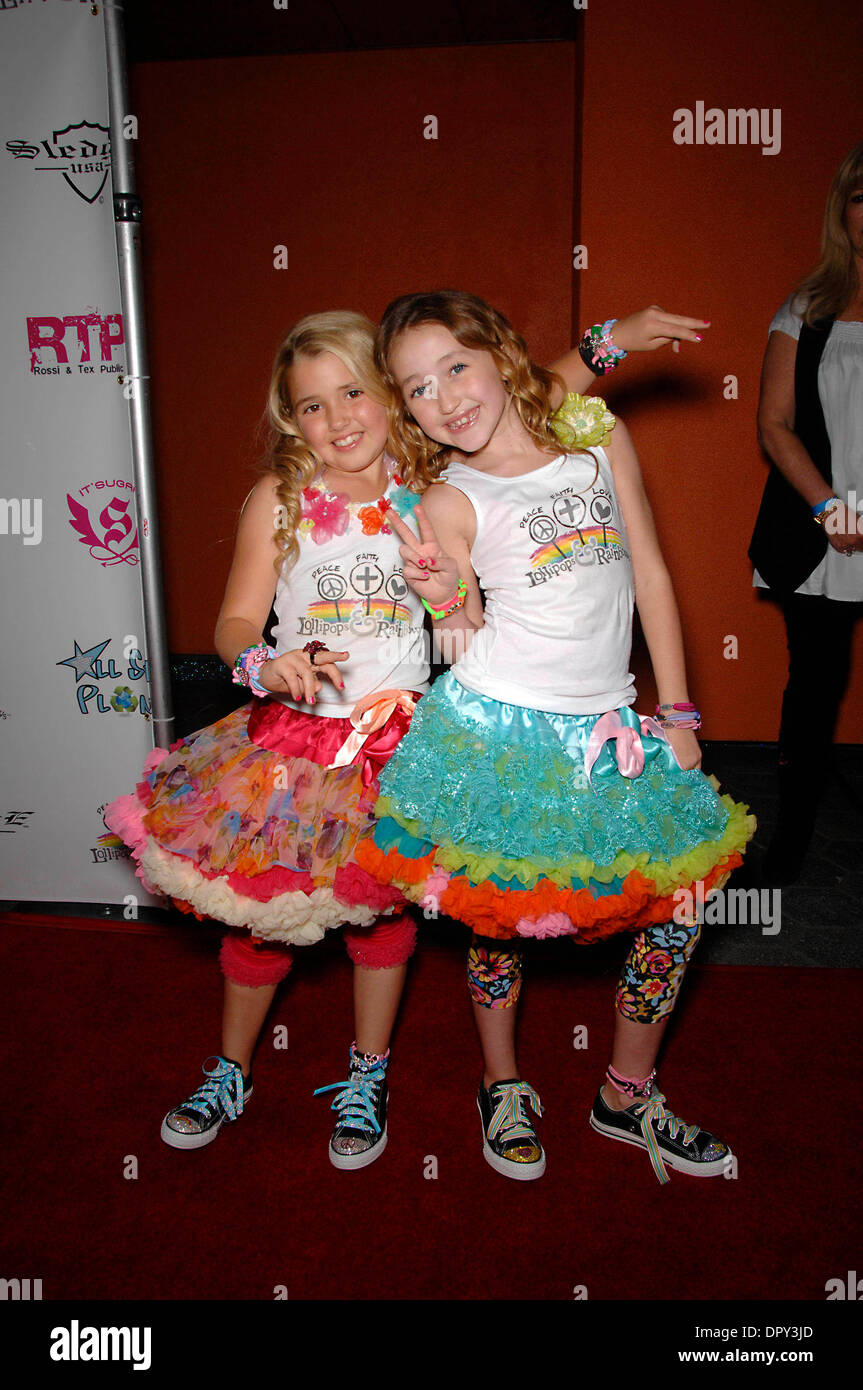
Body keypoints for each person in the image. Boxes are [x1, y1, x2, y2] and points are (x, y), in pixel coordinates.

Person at [105, 302, 709, 1168]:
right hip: (290, 750)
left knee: (378, 915)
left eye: (355, 392)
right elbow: (236, 618)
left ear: (392, 403)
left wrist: (608, 343)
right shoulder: (280, 500)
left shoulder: (430, 481)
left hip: (399, 741)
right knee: (262, 915)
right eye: (311, 405)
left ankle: (368, 1071)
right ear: (291, 420)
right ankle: (229, 1067)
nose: (337, 417)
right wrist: (260, 665)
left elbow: (524, 393)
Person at [357, 291, 755, 1183]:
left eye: (454, 367)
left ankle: (624, 1092)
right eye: (417, 389)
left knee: (678, 908)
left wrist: (680, 712)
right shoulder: (448, 498)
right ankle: (501, 1082)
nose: (444, 397)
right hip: (500, 732)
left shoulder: (591, 437)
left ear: (498, 355)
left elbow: (650, 573)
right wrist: (437, 594)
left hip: (614, 725)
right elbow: (459, 633)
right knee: (499, 923)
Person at [749, 141, 863, 885]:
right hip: (819, 532)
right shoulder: (805, 306)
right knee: (812, 688)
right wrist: (829, 507)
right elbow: (773, 422)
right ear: (843, 210)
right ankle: (788, 842)